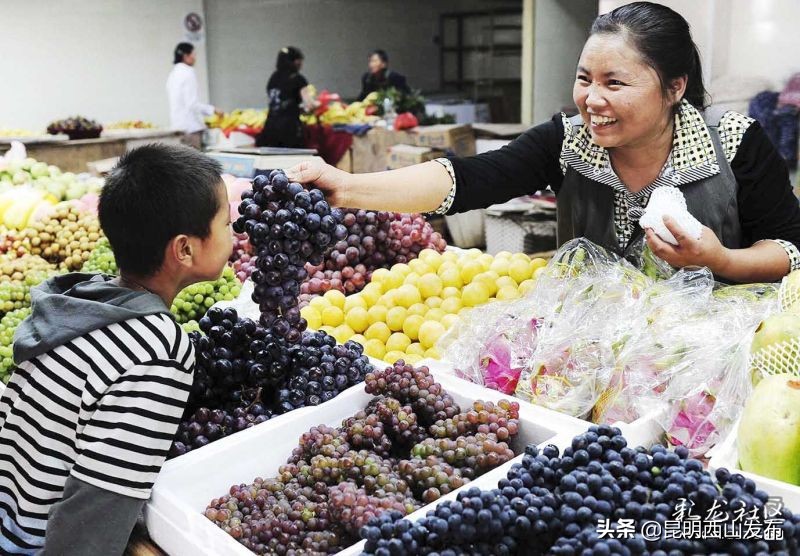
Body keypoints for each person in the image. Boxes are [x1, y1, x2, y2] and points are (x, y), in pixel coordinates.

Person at [289, 2, 800, 284]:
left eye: (614, 83)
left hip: (712, 357)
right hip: (594, 356)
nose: (591, 99)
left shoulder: (734, 145)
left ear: (674, 88)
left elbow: (790, 247)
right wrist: (346, 186)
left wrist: (720, 260)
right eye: (584, 79)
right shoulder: (569, 142)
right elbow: (466, 179)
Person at [0, 144, 232, 554]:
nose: (236, 232)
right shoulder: (159, 350)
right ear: (184, 249)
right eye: (227, 223)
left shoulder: (82, 299)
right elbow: (95, 512)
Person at [256, 46, 314, 149]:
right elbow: (309, 105)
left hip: (270, 127)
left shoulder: (273, 78)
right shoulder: (298, 79)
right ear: (296, 62)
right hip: (289, 129)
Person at [167, 42, 221, 149]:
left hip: (177, 127)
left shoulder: (172, 75)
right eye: (194, 54)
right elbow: (192, 104)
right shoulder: (188, 73)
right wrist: (213, 109)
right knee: (194, 164)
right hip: (191, 129)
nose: (195, 58)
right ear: (186, 56)